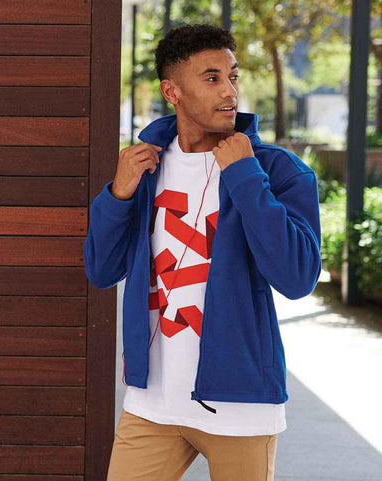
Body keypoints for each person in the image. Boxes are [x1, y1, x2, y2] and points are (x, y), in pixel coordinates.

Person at [83, 23, 321, 481]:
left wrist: (246, 177)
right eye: (212, 78)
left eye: (233, 76)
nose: (229, 91)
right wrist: (118, 195)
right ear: (171, 91)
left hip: (240, 407)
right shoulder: (145, 169)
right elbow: (101, 270)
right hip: (152, 403)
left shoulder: (277, 170)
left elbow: (297, 277)